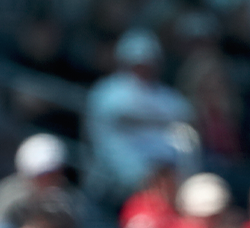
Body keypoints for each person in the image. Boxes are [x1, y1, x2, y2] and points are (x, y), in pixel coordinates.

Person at [83, 30, 195, 205]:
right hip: (116, 184)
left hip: (166, 182)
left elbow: (186, 131)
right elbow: (104, 139)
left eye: (148, 62)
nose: (144, 67)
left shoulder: (170, 98)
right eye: (137, 62)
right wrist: (141, 174)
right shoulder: (107, 92)